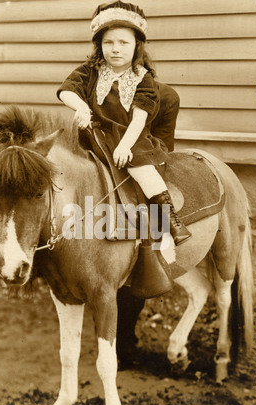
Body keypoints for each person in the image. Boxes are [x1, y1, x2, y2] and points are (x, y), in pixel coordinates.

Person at [57, 1, 191, 245]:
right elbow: (67, 90)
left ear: (137, 46)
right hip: (95, 137)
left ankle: (170, 220)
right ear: (99, 46)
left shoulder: (143, 78)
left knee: (142, 170)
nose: (115, 49)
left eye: (123, 43)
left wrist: (125, 146)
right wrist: (81, 107)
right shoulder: (91, 70)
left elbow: (140, 118)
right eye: (108, 42)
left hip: (131, 138)